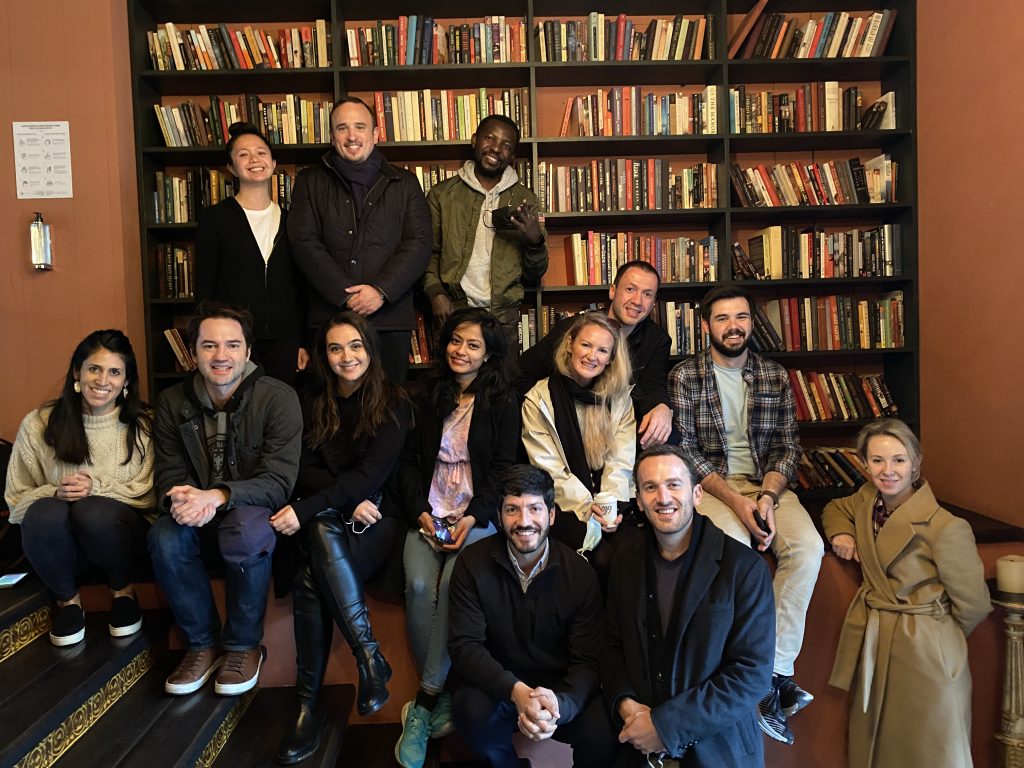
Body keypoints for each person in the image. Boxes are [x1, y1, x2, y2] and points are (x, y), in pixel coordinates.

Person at [668, 284, 823, 744]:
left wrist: (768, 497)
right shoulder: (685, 377)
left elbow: (787, 446)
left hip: (768, 487)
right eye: (722, 318)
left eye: (740, 317)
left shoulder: (773, 375)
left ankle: (770, 674)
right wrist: (737, 502)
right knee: (736, 553)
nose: (733, 326)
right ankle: (743, 673)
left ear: (751, 323)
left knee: (808, 549)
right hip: (714, 488)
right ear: (705, 325)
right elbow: (686, 451)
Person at [270, 311, 412, 764]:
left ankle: (308, 707)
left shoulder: (394, 402)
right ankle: (368, 658)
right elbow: (301, 466)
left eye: (355, 346)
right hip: (342, 514)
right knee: (315, 560)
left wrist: (317, 503)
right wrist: (340, 500)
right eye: (335, 348)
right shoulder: (309, 398)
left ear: (370, 348)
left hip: (379, 519)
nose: (346, 357)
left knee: (314, 541)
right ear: (323, 355)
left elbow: (374, 474)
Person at [148, 302, 302, 697]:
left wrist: (216, 496)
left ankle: (242, 645)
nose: (221, 356)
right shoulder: (170, 402)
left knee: (245, 531)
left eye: (232, 345)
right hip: (195, 511)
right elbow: (168, 474)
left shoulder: (278, 398)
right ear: (193, 351)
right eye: (209, 345)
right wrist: (183, 501)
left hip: (246, 512)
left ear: (248, 351)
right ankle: (201, 645)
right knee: (164, 536)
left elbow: (278, 482)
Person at [822, 419, 991, 768]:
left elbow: (973, 605)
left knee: (930, 750)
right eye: (878, 460)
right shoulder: (867, 501)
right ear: (864, 465)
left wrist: (935, 636)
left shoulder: (947, 527)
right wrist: (842, 534)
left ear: (916, 463)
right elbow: (834, 508)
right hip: (877, 642)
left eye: (899, 460)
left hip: (927, 651)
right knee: (880, 750)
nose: (888, 471)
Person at [393, 308, 520, 768]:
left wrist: (474, 516)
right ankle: (441, 695)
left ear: (488, 355)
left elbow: (505, 467)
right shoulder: (425, 396)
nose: (460, 351)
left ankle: (424, 703)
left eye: (473, 345)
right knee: (422, 586)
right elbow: (406, 464)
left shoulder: (504, 401)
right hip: (428, 513)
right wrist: (421, 514)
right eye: (455, 341)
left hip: (476, 516)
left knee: (451, 586)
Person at [603, 445, 775, 767]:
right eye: (650, 487)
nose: (663, 497)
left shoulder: (744, 568)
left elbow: (751, 674)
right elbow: (612, 646)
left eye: (674, 484)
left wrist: (666, 726)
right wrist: (626, 705)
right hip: (638, 744)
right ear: (638, 500)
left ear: (697, 494)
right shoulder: (624, 562)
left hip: (717, 748)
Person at [447, 464, 617, 768]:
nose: (524, 522)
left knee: (602, 729)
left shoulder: (579, 574)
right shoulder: (471, 564)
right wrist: (517, 692)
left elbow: (588, 661)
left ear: (551, 515)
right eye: (512, 509)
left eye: (534, 509)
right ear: (499, 516)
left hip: (558, 689)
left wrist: (560, 705)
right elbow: (464, 646)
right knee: (469, 713)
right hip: (498, 685)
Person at [5, 330, 154, 646]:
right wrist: (54, 492)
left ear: (127, 381)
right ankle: (68, 603)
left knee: (92, 510)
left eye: (115, 372)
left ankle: (123, 593)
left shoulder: (142, 424)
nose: (103, 380)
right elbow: (15, 499)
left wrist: (97, 487)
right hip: (62, 549)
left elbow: (151, 493)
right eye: (94, 369)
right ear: (77, 372)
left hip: (120, 543)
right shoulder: (39, 423)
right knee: (43, 511)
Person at [288, 96, 431, 382]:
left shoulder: (405, 183)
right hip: (329, 317)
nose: (352, 136)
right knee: (331, 411)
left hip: (388, 317)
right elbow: (304, 242)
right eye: (342, 128)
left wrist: (380, 291)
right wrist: (346, 295)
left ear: (375, 134)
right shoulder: (309, 181)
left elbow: (419, 243)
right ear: (332, 136)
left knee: (388, 408)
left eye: (360, 127)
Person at [521, 312, 636, 585]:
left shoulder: (619, 399)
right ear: (570, 343)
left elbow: (621, 460)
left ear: (610, 359)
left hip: (614, 502)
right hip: (563, 506)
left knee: (631, 559)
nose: (592, 356)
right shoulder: (539, 399)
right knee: (601, 560)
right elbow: (550, 470)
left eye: (602, 350)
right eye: (586, 345)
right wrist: (590, 510)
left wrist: (610, 509)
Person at [195, 121, 308, 385]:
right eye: (243, 154)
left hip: (285, 339)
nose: (254, 159)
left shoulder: (294, 221)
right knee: (238, 411)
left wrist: (304, 342)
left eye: (261, 152)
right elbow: (204, 285)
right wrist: (206, 341)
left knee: (282, 410)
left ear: (273, 162)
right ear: (232, 168)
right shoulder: (215, 219)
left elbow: (302, 288)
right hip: (232, 340)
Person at [515, 260, 672, 449]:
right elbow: (522, 373)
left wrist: (662, 406)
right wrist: (547, 411)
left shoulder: (657, 339)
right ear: (612, 291)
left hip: (617, 424)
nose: (638, 301)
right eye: (630, 289)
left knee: (666, 433)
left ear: (654, 303)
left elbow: (653, 385)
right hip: (566, 419)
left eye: (647, 294)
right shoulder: (574, 328)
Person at [423, 114, 547, 347]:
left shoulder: (525, 199)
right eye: (490, 138)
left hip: (504, 318)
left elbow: (535, 274)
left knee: (501, 382)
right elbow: (429, 253)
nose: (496, 148)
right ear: (474, 141)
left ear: (512, 157)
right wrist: (435, 293)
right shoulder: (442, 195)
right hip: (454, 311)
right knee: (456, 381)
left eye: (506, 145)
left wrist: (535, 241)